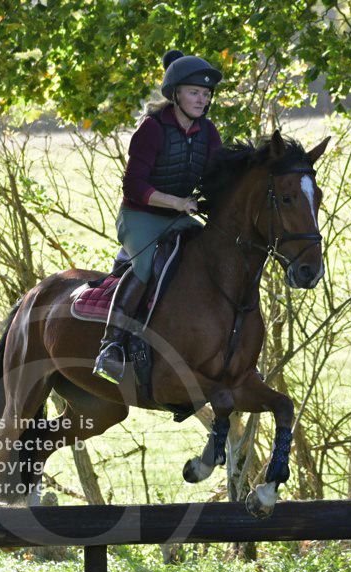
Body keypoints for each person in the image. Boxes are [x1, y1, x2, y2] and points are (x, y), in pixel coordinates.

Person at [93, 49, 224, 384]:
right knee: (147, 264)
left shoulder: (208, 132)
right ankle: (111, 346)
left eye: (206, 94)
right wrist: (178, 202)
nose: (202, 100)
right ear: (175, 94)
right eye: (194, 92)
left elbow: (217, 176)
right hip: (140, 215)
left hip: (180, 215)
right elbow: (134, 186)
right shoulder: (152, 129)